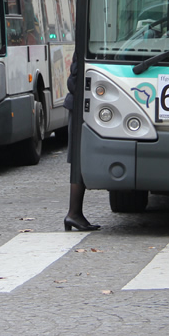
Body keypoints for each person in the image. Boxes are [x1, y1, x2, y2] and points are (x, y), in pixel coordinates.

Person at [63, 53, 100, 231]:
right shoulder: (83, 46)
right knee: (79, 158)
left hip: (82, 104)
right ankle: (73, 213)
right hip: (80, 106)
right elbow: (74, 81)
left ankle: (74, 213)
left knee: (80, 158)